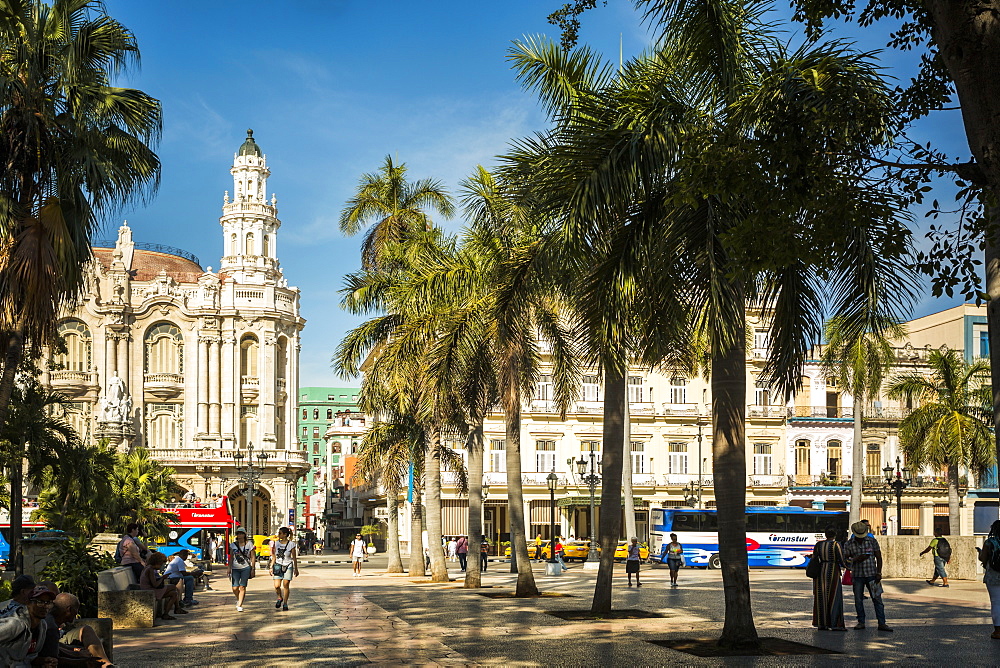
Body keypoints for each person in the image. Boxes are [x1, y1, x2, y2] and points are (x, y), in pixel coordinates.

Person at [843, 520, 892, 632]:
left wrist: (879, 572)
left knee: (877, 599)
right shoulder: (849, 544)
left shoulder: (872, 541)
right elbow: (845, 560)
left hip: (872, 575)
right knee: (858, 600)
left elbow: (879, 557)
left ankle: (882, 623)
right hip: (857, 575)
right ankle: (861, 621)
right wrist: (855, 559)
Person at [49, 593, 114, 667]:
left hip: (63, 635)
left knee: (86, 630)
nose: (76, 614)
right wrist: (77, 654)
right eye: (76, 610)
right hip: (59, 640)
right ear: (69, 610)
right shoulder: (50, 626)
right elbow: (55, 651)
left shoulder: (55, 622)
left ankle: (105, 663)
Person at [0, 584, 57, 667]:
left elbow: (28, 657)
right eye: (39, 602)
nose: (45, 606)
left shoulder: (42, 626)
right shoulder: (16, 624)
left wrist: (44, 661)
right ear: (28, 603)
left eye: (48, 602)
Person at [812, 526, 848, 631]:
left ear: (825, 534)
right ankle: (835, 623)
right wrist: (849, 566)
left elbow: (814, 558)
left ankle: (821, 623)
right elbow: (842, 560)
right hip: (833, 572)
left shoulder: (819, 544)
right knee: (834, 596)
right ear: (835, 535)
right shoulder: (836, 545)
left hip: (821, 572)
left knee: (821, 597)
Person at [139, 552, 183, 620]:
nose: (161, 566)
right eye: (161, 564)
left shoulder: (148, 567)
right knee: (173, 587)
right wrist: (163, 578)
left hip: (150, 589)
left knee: (174, 593)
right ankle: (177, 609)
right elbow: (155, 584)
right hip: (149, 590)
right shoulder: (150, 569)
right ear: (157, 563)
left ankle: (168, 613)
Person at [979, 519, 1000, 638]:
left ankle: (997, 631)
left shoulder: (989, 542)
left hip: (993, 576)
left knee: (996, 603)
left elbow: (983, 558)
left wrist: (980, 553)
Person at [269, 527, 299, 612]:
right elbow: (274, 555)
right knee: (277, 585)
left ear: (285, 534)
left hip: (288, 565)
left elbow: (294, 557)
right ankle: (279, 597)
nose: (279, 535)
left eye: (280, 533)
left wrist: (296, 569)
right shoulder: (276, 543)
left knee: (286, 585)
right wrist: (271, 566)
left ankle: (285, 603)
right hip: (278, 565)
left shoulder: (291, 544)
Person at [227, 528, 255, 612]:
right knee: (235, 588)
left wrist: (253, 568)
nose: (239, 535)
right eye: (238, 533)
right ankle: (239, 598)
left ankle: (240, 604)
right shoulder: (233, 545)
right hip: (235, 568)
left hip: (245, 567)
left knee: (242, 586)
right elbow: (231, 557)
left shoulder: (249, 544)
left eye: (241, 533)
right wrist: (229, 568)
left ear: (244, 535)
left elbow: (253, 556)